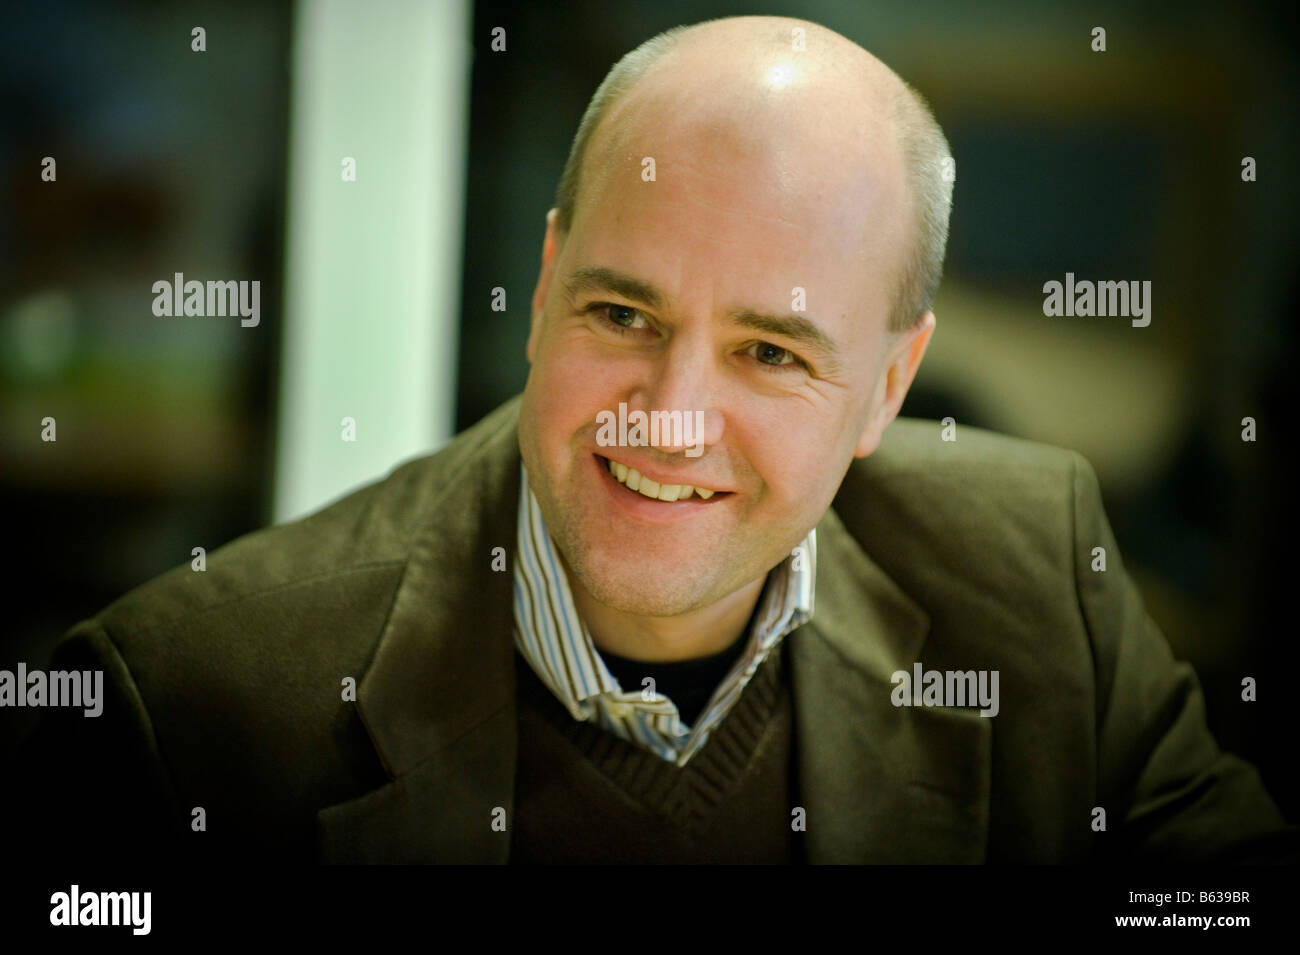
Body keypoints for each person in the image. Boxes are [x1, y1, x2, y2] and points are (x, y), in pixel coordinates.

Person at [16, 14, 1295, 864]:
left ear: (889, 386)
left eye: (770, 352)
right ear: (548, 280)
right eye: (623, 313)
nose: (671, 412)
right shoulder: (188, 706)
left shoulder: (1031, 568)